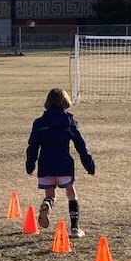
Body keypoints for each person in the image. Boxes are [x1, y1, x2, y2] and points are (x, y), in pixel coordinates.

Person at [25, 88, 94, 238]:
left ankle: (47, 204)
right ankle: (75, 228)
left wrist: (30, 165)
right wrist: (89, 165)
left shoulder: (39, 123)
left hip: (46, 165)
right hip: (64, 164)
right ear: (65, 102)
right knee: (71, 194)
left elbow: (33, 146)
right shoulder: (69, 122)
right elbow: (81, 145)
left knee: (50, 194)